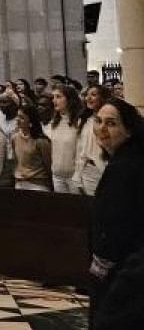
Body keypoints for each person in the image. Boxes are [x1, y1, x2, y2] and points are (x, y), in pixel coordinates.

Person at [86, 98, 144, 328]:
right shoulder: (123, 160)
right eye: (98, 121)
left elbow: (116, 221)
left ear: (128, 130)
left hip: (124, 267)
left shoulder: (126, 166)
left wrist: (101, 265)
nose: (101, 129)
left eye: (111, 123)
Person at [75, 85, 111, 195]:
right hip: (89, 170)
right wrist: (78, 176)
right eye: (87, 95)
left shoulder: (110, 121)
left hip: (106, 169)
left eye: (93, 95)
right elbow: (81, 150)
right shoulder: (84, 120)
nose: (88, 98)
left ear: (103, 98)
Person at [46, 85, 83, 194]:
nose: (54, 101)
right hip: (57, 176)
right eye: (53, 97)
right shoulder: (54, 122)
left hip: (74, 177)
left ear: (69, 99)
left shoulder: (79, 122)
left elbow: (81, 152)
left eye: (58, 97)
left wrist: (78, 176)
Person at [11, 105, 52, 192]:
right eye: (17, 116)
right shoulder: (15, 137)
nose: (17, 120)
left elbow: (48, 164)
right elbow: (15, 161)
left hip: (38, 184)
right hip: (19, 182)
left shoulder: (41, 141)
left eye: (21, 117)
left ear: (30, 120)